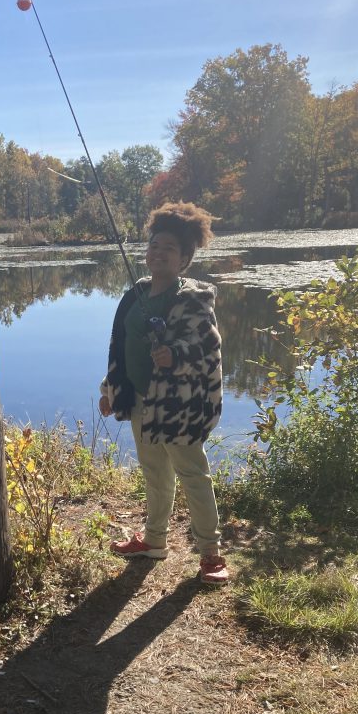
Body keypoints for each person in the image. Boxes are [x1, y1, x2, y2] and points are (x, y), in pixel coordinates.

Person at [98, 202, 229, 585]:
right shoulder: (135, 295)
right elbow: (119, 348)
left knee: (193, 475)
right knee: (155, 474)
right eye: (154, 245)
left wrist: (177, 355)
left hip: (178, 408)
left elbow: (210, 350)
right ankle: (154, 541)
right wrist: (110, 389)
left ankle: (211, 554)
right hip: (140, 401)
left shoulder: (192, 299)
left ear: (185, 258)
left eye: (169, 248)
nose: (158, 253)